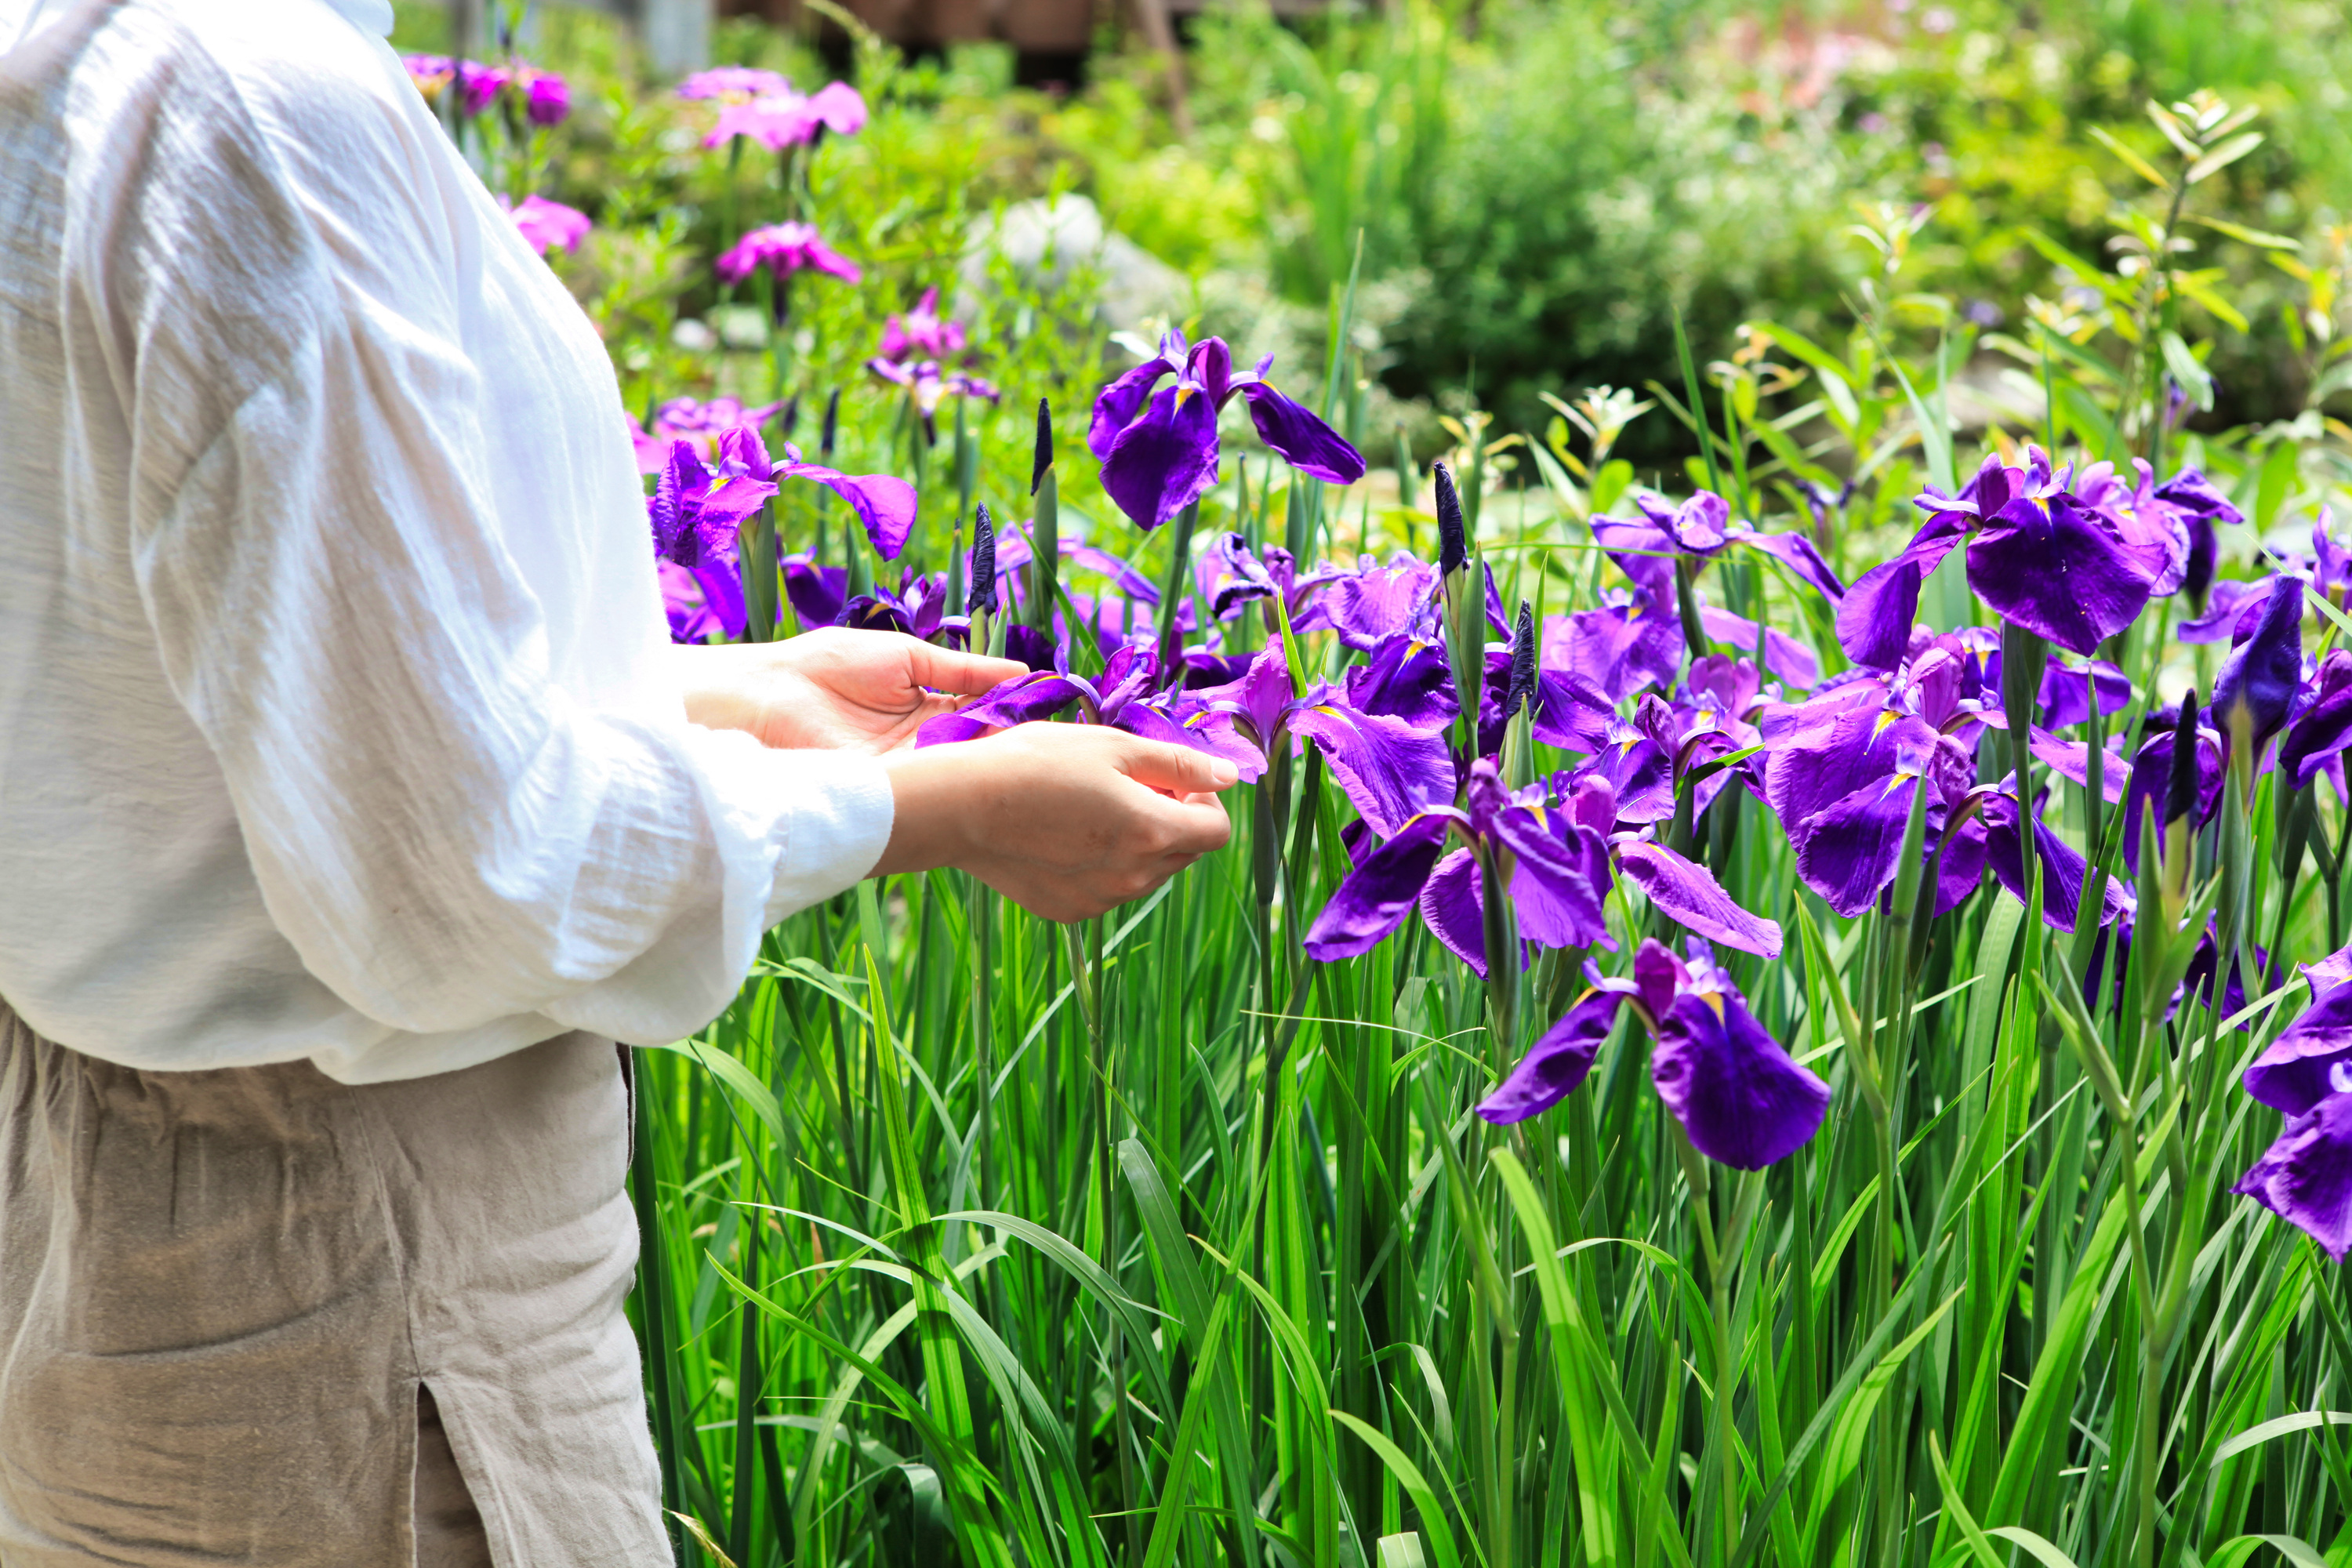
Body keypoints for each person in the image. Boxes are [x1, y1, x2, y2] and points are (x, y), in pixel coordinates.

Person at [0, 1, 1235, 1563]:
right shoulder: (255, 108)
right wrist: (936, 812)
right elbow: (458, 883)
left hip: (107, 1212)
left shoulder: (75, 55)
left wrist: (715, 694)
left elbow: (161, 700)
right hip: (358, 1263)